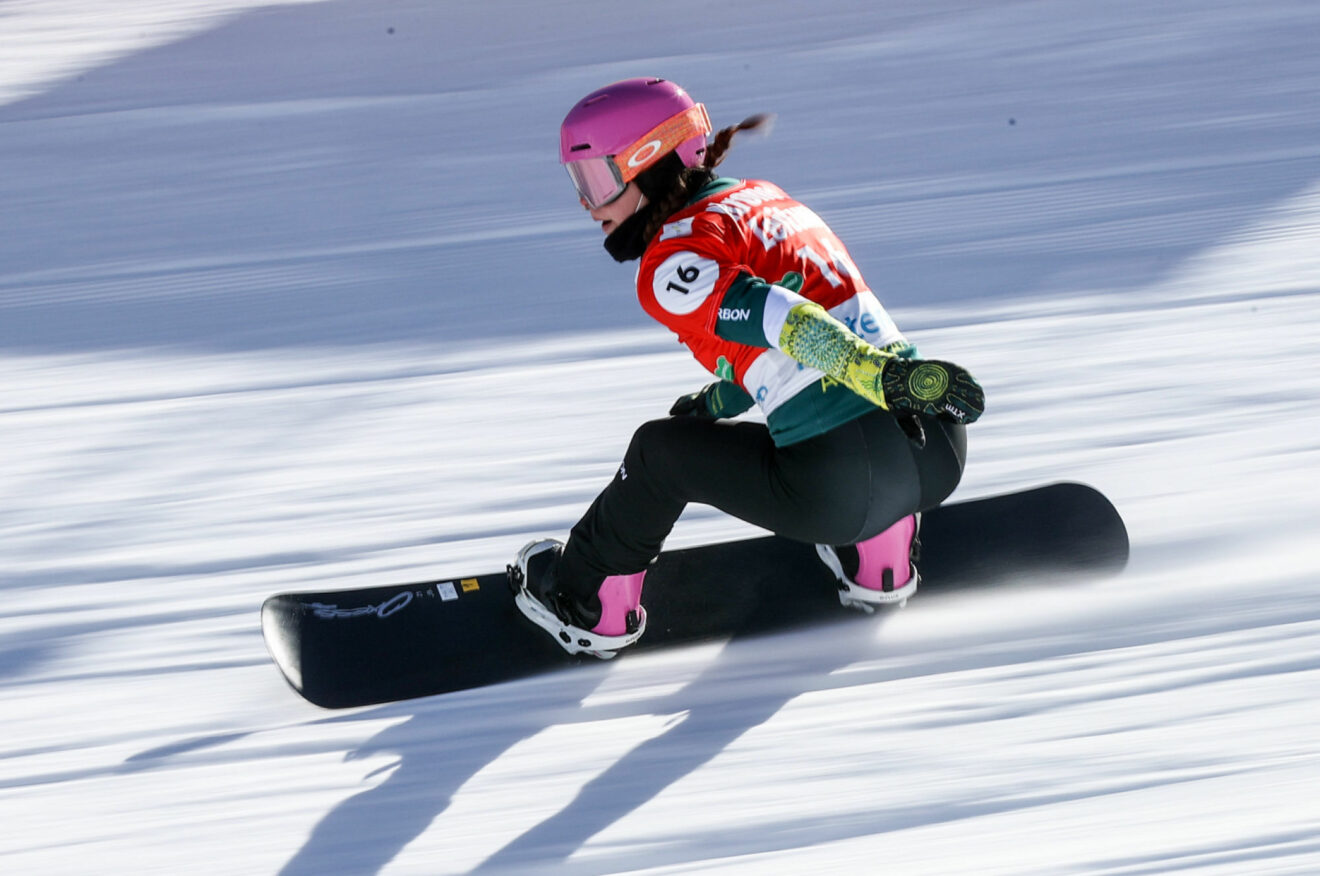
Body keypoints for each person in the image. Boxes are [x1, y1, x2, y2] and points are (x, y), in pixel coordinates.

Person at [511, 77, 983, 658]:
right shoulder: (763, 198)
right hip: (934, 449)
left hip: (838, 485)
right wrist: (714, 405)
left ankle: (589, 603)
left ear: (649, 163)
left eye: (598, 181)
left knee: (658, 453)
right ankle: (878, 559)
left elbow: (786, 318)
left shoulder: (669, 264)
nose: (588, 205)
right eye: (577, 183)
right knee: (732, 421)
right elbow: (776, 349)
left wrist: (867, 373)